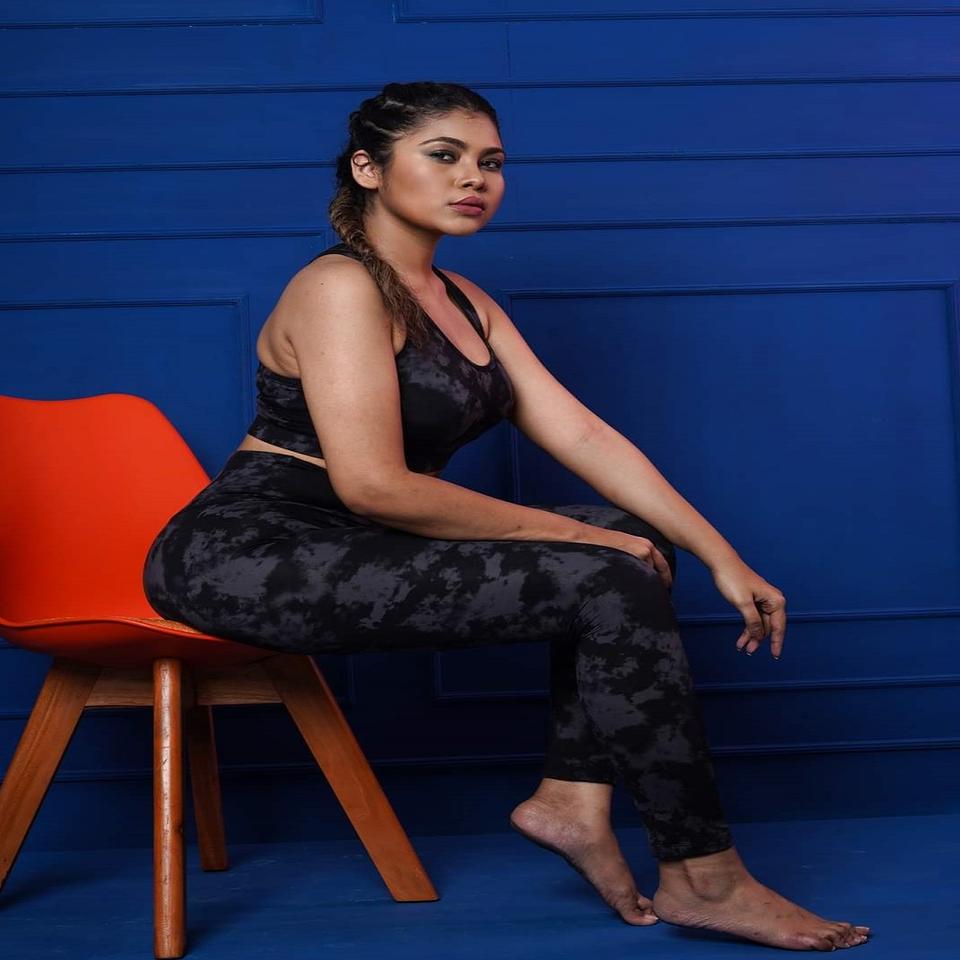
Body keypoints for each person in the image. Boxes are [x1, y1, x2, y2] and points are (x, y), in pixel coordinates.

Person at [142, 81, 870, 951]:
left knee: (626, 543)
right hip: (251, 550)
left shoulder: (467, 301)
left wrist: (722, 555)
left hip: (361, 540)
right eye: (443, 156)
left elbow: (585, 435)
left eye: (490, 162)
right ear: (369, 169)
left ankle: (573, 799)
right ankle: (704, 876)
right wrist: (586, 537)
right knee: (605, 565)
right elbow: (375, 486)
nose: (473, 178)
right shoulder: (339, 286)